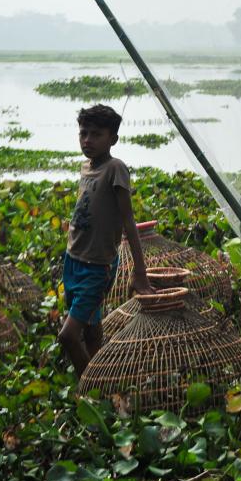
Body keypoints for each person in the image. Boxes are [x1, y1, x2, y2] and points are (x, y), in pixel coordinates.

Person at [58, 104, 153, 375]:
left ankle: (92, 387)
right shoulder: (85, 167)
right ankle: (97, 367)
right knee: (90, 324)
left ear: (113, 139)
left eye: (96, 134)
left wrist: (140, 271)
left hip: (97, 266)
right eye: (83, 133)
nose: (87, 140)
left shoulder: (116, 169)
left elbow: (128, 222)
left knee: (67, 336)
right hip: (73, 260)